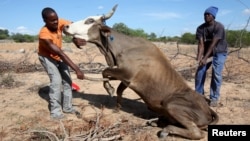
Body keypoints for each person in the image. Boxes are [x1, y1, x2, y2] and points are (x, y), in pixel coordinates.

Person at [38, 7, 86, 119]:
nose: (56, 22)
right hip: (47, 57)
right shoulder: (44, 35)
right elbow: (61, 54)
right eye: (52, 20)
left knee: (67, 81)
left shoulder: (59, 22)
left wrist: (75, 38)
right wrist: (77, 70)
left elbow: (72, 28)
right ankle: (55, 112)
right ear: (45, 20)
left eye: (56, 19)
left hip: (58, 56)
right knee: (56, 81)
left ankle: (67, 107)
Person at [195, 6, 228, 107]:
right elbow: (201, 44)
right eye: (205, 14)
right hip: (207, 52)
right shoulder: (200, 28)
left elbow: (213, 44)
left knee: (216, 73)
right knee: (200, 71)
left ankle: (214, 98)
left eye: (208, 14)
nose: (206, 16)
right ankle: (199, 95)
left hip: (220, 51)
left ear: (213, 16)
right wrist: (199, 58)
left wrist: (205, 58)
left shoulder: (219, 27)